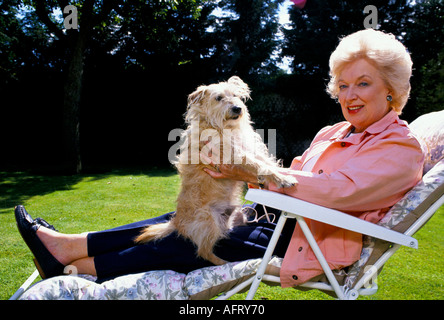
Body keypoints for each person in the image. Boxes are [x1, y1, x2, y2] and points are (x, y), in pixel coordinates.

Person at [15, 29, 425, 287]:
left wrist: (255, 173)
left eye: (363, 84)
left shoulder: (399, 148)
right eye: (343, 85)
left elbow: (340, 193)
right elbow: (294, 172)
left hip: (308, 243)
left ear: (391, 89)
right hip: (277, 220)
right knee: (180, 220)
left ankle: (79, 269)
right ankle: (70, 247)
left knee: (191, 239)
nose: (349, 95)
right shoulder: (333, 133)